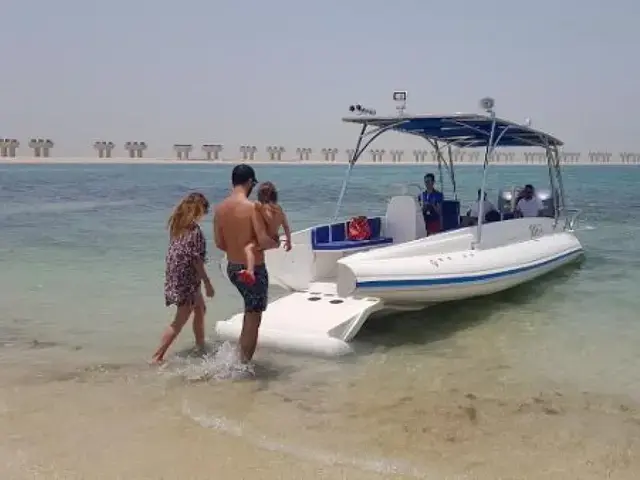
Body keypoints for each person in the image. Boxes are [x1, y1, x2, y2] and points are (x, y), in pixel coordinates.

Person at [213, 164, 280, 363]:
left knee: (249, 311)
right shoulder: (252, 208)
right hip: (254, 270)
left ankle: (239, 358)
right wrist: (276, 242)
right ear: (250, 182)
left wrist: (237, 247)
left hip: (233, 268)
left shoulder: (220, 209)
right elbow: (263, 240)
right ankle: (242, 365)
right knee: (253, 317)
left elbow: (219, 243)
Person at [151, 192, 214, 365]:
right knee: (180, 320)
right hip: (187, 278)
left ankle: (200, 346)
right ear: (199, 209)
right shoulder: (194, 231)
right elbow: (196, 260)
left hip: (176, 275)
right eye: (205, 210)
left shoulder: (178, 226)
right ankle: (157, 357)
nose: (205, 215)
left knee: (200, 308)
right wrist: (207, 283)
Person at [239, 181, 292, 285]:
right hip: (276, 241)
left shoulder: (261, 207)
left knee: (248, 248)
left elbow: (266, 217)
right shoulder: (279, 209)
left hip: (265, 241)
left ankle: (250, 271)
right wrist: (288, 241)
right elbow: (286, 226)